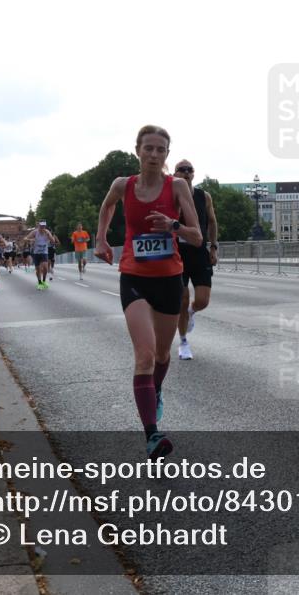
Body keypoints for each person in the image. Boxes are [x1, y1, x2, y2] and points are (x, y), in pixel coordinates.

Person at [95, 125, 201, 460]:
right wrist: (100, 238)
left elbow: (196, 236)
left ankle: (153, 391)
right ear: (137, 150)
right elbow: (107, 207)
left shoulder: (178, 186)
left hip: (169, 278)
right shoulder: (122, 185)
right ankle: (152, 435)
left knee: (161, 356)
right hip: (134, 275)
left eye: (161, 150)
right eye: (148, 148)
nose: (154, 155)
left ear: (167, 155)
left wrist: (172, 225)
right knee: (143, 355)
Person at [172, 159, 218, 360]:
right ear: (175, 174)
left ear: (193, 174)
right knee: (181, 300)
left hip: (199, 252)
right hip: (178, 253)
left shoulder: (203, 196)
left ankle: (191, 312)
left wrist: (213, 246)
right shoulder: (170, 196)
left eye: (189, 170)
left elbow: (212, 221)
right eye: (181, 170)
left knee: (202, 300)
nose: (186, 172)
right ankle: (183, 342)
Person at [23, 221, 58, 290]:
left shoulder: (47, 232)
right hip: (36, 253)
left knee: (45, 267)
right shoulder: (35, 232)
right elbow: (25, 238)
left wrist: (49, 235)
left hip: (44, 252)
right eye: (41, 226)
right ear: (39, 226)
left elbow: (53, 241)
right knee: (38, 269)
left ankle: (44, 281)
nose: (42, 228)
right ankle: (39, 282)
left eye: (44, 226)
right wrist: (30, 240)